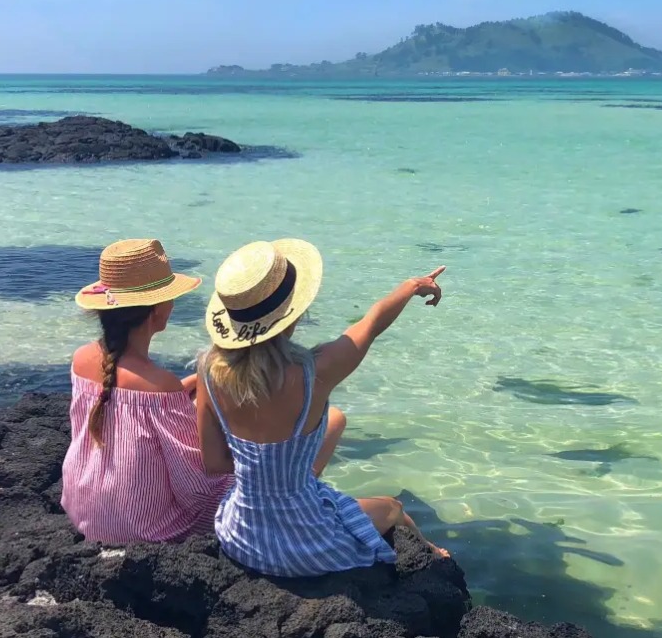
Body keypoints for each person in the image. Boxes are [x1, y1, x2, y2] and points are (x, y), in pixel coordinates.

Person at [194, 238, 448, 578]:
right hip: (307, 546)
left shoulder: (209, 373)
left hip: (242, 537)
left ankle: (290, 484)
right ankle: (432, 556)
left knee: (331, 426)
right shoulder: (315, 371)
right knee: (393, 508)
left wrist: (271, 473)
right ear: (291, 313)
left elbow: (214, 463)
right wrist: (413, 285)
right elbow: (371, 324)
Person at [60, 238, 233, 544]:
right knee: (240, 486)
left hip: (83, 511)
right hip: (141, 531)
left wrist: (185, 388)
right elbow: (196, 488)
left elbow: (121, 405)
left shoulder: (81, 359)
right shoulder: (159, 385)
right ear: (157, 309)